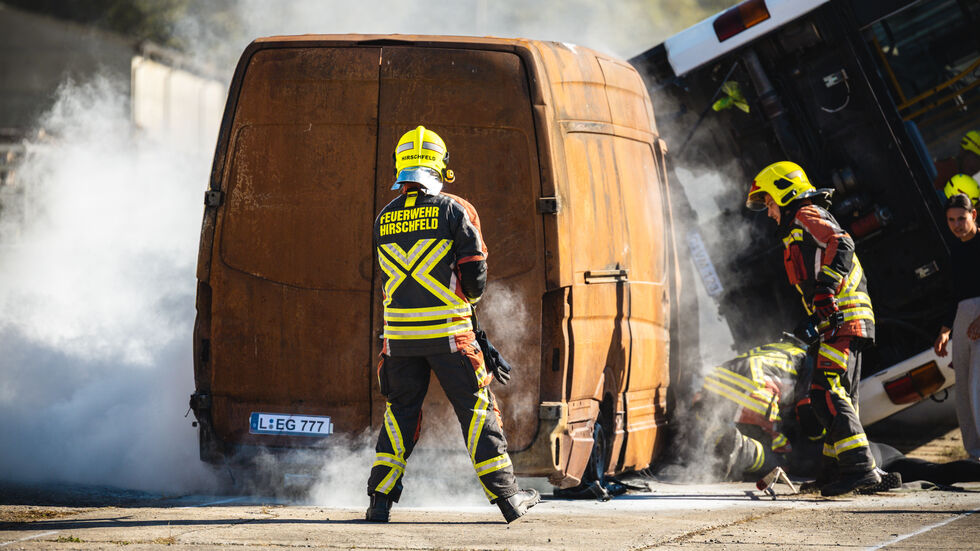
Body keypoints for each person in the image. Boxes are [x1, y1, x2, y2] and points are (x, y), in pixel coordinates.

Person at [365, 126, 539, 523]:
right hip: (449, 336)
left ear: (399, 167)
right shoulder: (455, 209)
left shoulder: (384, 217)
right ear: (441, 166)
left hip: (398, 340)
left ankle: (379, 501)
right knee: (477, 411)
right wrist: (468, 306)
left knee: (400, 413)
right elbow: (475, 272)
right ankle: (508, 497)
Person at [745, 161, 880, 496]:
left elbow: (842, 243)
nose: (769, 213)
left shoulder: (806, 215)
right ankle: (836, 470)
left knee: (826, 392)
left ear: (784, 193)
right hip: (837, 321)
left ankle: (859, 468)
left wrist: (826, 290)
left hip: (844, 318)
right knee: (835, 395)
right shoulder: (798, 226)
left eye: (770, 203)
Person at [933, 192, 980, 461]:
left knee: (978, 385)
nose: (956, 225)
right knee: (963, 388)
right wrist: (945, 330)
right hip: (963, 319)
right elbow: (955, 294)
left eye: (961, 218)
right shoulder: (956, 250)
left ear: (973, 215)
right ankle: (974, 455)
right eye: (951, 220)